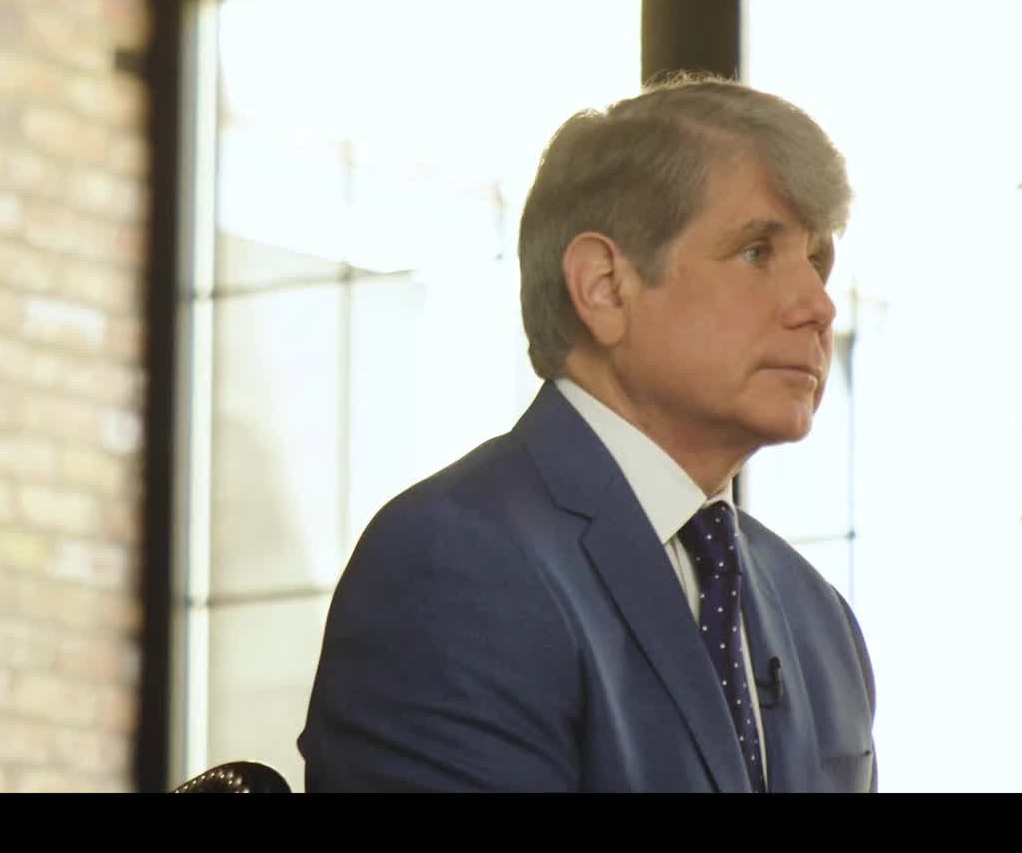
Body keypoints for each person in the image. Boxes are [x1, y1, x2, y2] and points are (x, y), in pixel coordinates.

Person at [296, 74, 877, 792]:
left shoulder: (819, 618)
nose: (818, 305)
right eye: (757, 251)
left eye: (817, 263)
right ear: (604, 285)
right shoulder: (452, 562)